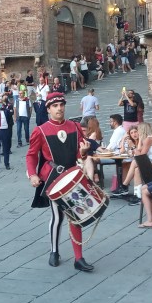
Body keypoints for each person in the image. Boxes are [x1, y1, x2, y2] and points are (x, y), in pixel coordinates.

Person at [26, 92, 95, 272]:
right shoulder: (40, 130)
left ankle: (78, 258)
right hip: (53, 177)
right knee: (58, 216)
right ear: (48, 109)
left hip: (73, 176)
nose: (59, 108)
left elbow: (80, 154)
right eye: (55, 106)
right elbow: (32, 155)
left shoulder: (74, 126)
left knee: (76, 216)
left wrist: (85, 152)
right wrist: (33, 174)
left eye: (61, 105)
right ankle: (54, 251)